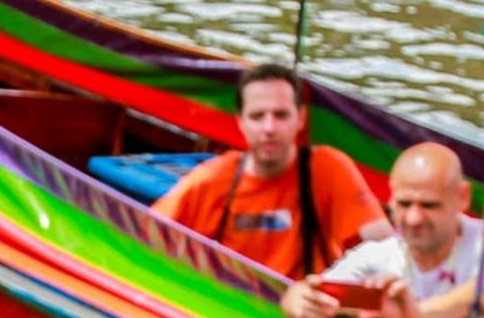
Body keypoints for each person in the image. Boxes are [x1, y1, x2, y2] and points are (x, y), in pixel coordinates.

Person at [282, 138, 484, 318]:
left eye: (429, 205)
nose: (414, 218)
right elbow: (312, 292)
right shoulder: (376, 255)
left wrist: (415, 315)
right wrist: (300, 301)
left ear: (462, 197)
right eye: (404, 204)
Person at [163, 64, 383, 282]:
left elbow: (383, 246)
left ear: (301, 118)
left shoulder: (330, 169)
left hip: (309, 308)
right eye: (257, 116)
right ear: (241, 122)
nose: (269, 128)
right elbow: (144, 231)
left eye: (281, 115)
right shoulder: (209, 180)